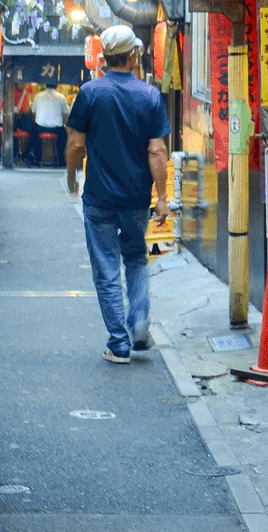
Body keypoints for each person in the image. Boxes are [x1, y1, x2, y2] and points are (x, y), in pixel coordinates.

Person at [66, 25, 170, 364]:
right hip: (136, 198)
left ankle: (119, 344)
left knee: (106, 269)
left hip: (98, 198)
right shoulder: (150, 95)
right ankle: (139, 323)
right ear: (133, 55)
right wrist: (163, 196)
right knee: (136, 259)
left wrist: (71, 176)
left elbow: (76, 143)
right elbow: (157, 151)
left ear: (104, 57)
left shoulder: (90, 92)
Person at [27, 83, 68, 166]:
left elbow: (33, 112)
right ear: (56, 86)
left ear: (45, 85)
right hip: (57, 127)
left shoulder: (38, 96)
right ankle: (61, 160)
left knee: (33, 133)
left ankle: (37, 158)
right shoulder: (61, 97)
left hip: (40, 126)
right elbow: (65, 114)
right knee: (64, 135)